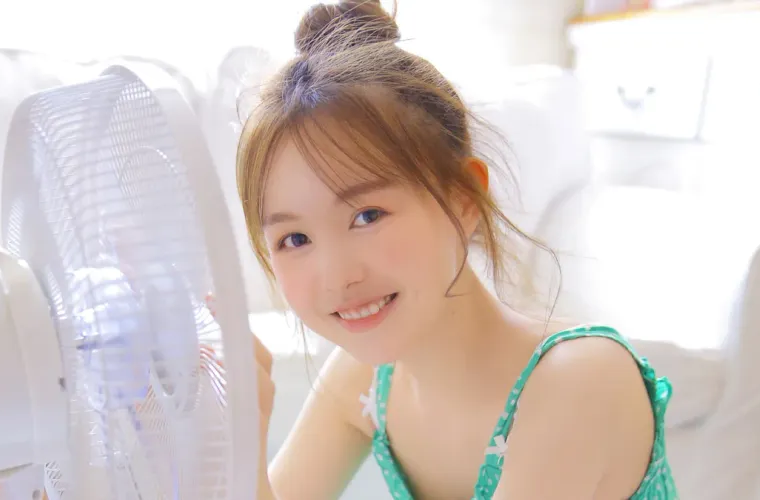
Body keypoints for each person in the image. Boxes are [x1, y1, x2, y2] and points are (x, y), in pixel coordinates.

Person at [237, 1, 677, 498]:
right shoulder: (365, 379)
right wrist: (239, 441)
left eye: (367, 216)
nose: (337, 276)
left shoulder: (579, 382)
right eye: (295, 239)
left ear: (463, 200)